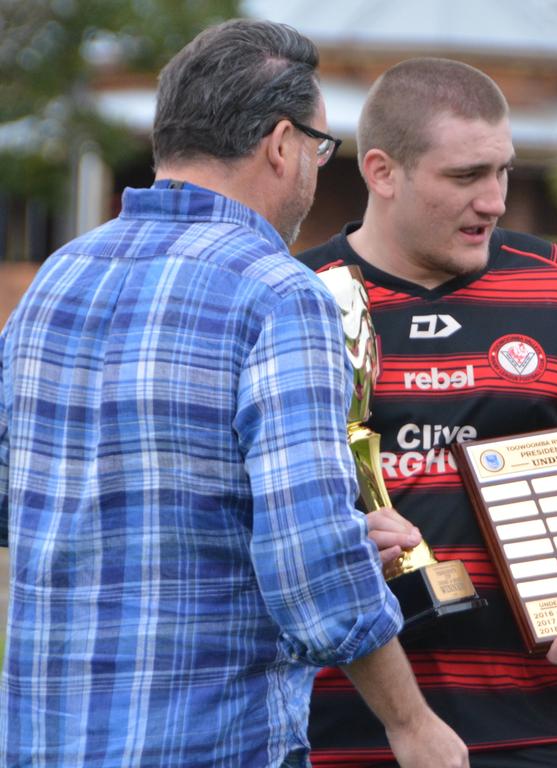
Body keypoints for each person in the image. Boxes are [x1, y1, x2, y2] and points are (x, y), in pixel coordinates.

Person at [0, 20, 466, 768]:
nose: (315, 171)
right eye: (319, 148)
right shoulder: (280, 296)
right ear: (282, 144)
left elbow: (13, 502)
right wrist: (412, 724)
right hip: (213, 739)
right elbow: (311, 568)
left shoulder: (55, 280)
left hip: (44, 739)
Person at [298, 57, 557, 767]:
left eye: (504, 171)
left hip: (544, 722)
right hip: (346, 727)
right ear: (381, 171)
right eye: (466, 177)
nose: (495, 200)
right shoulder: (299, 294)